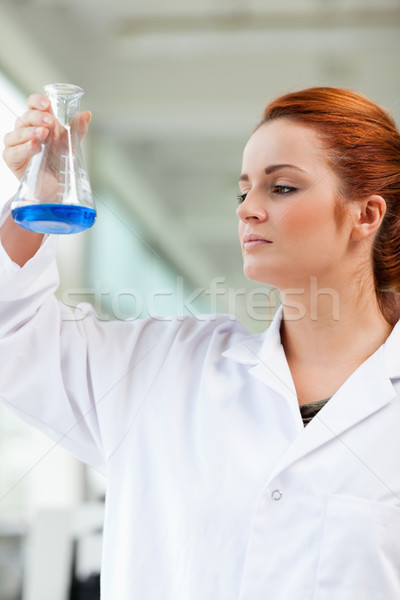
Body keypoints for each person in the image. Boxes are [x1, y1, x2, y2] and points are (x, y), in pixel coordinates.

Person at [1, 86, 400, 599]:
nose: (248, 209)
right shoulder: (162, 370)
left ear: (366, 215)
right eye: (243, 190)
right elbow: (13, 334)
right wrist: (38, 197)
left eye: (281, 188)